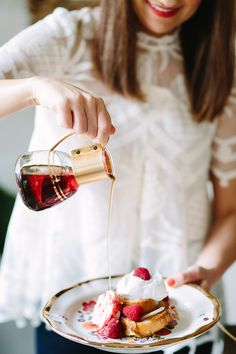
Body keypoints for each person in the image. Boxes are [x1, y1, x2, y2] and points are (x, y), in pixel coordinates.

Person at [0, 0, 236, 353]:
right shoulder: (68, 36)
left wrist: (207, 268)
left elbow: (230, 210)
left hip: (180, 314)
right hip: (73, 310)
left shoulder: (222, 63)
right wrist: (35, 88)